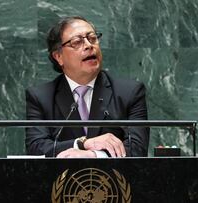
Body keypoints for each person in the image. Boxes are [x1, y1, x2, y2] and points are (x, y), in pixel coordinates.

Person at [25, 16, 149, 158]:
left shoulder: (129, 92)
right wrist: (82, 144)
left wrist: (94, 155)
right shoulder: (41, 97)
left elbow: (137, 148)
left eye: (92, 38)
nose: (89, 45)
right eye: (77, 42)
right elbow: (36, 148)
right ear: (58, 56)